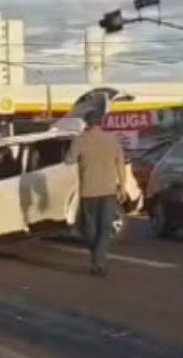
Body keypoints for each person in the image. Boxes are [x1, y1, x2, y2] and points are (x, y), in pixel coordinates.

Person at [66, 109, 126, 277]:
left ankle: (97, 261)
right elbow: (120, 164)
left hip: (88, 191)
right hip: (108, 190)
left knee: (90, 228)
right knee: (105, 228)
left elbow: (69, 160)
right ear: (101, 122)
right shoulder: (112, 140)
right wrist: (122, 186)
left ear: (86, 123)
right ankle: (99, 261)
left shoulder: (80, 140)